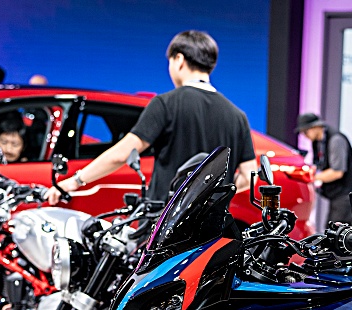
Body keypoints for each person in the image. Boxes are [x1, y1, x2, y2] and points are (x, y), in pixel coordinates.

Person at [47, 31, 255, 205]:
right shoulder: (237, 116)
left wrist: (75, 181)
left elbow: (122, 154)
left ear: (179, 60)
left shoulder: (166, 103)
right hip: (211, 228)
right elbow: (248, 177)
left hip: (164, 225)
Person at [295, 112, 352, 225]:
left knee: (336, 230)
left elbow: (337, 172)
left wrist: (311, 177)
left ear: (316, 127)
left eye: (305, 131)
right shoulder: (318, 142)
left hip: (345, 193)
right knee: (332, 229)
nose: (304, 136)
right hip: (335, 193)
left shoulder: (336, 140)